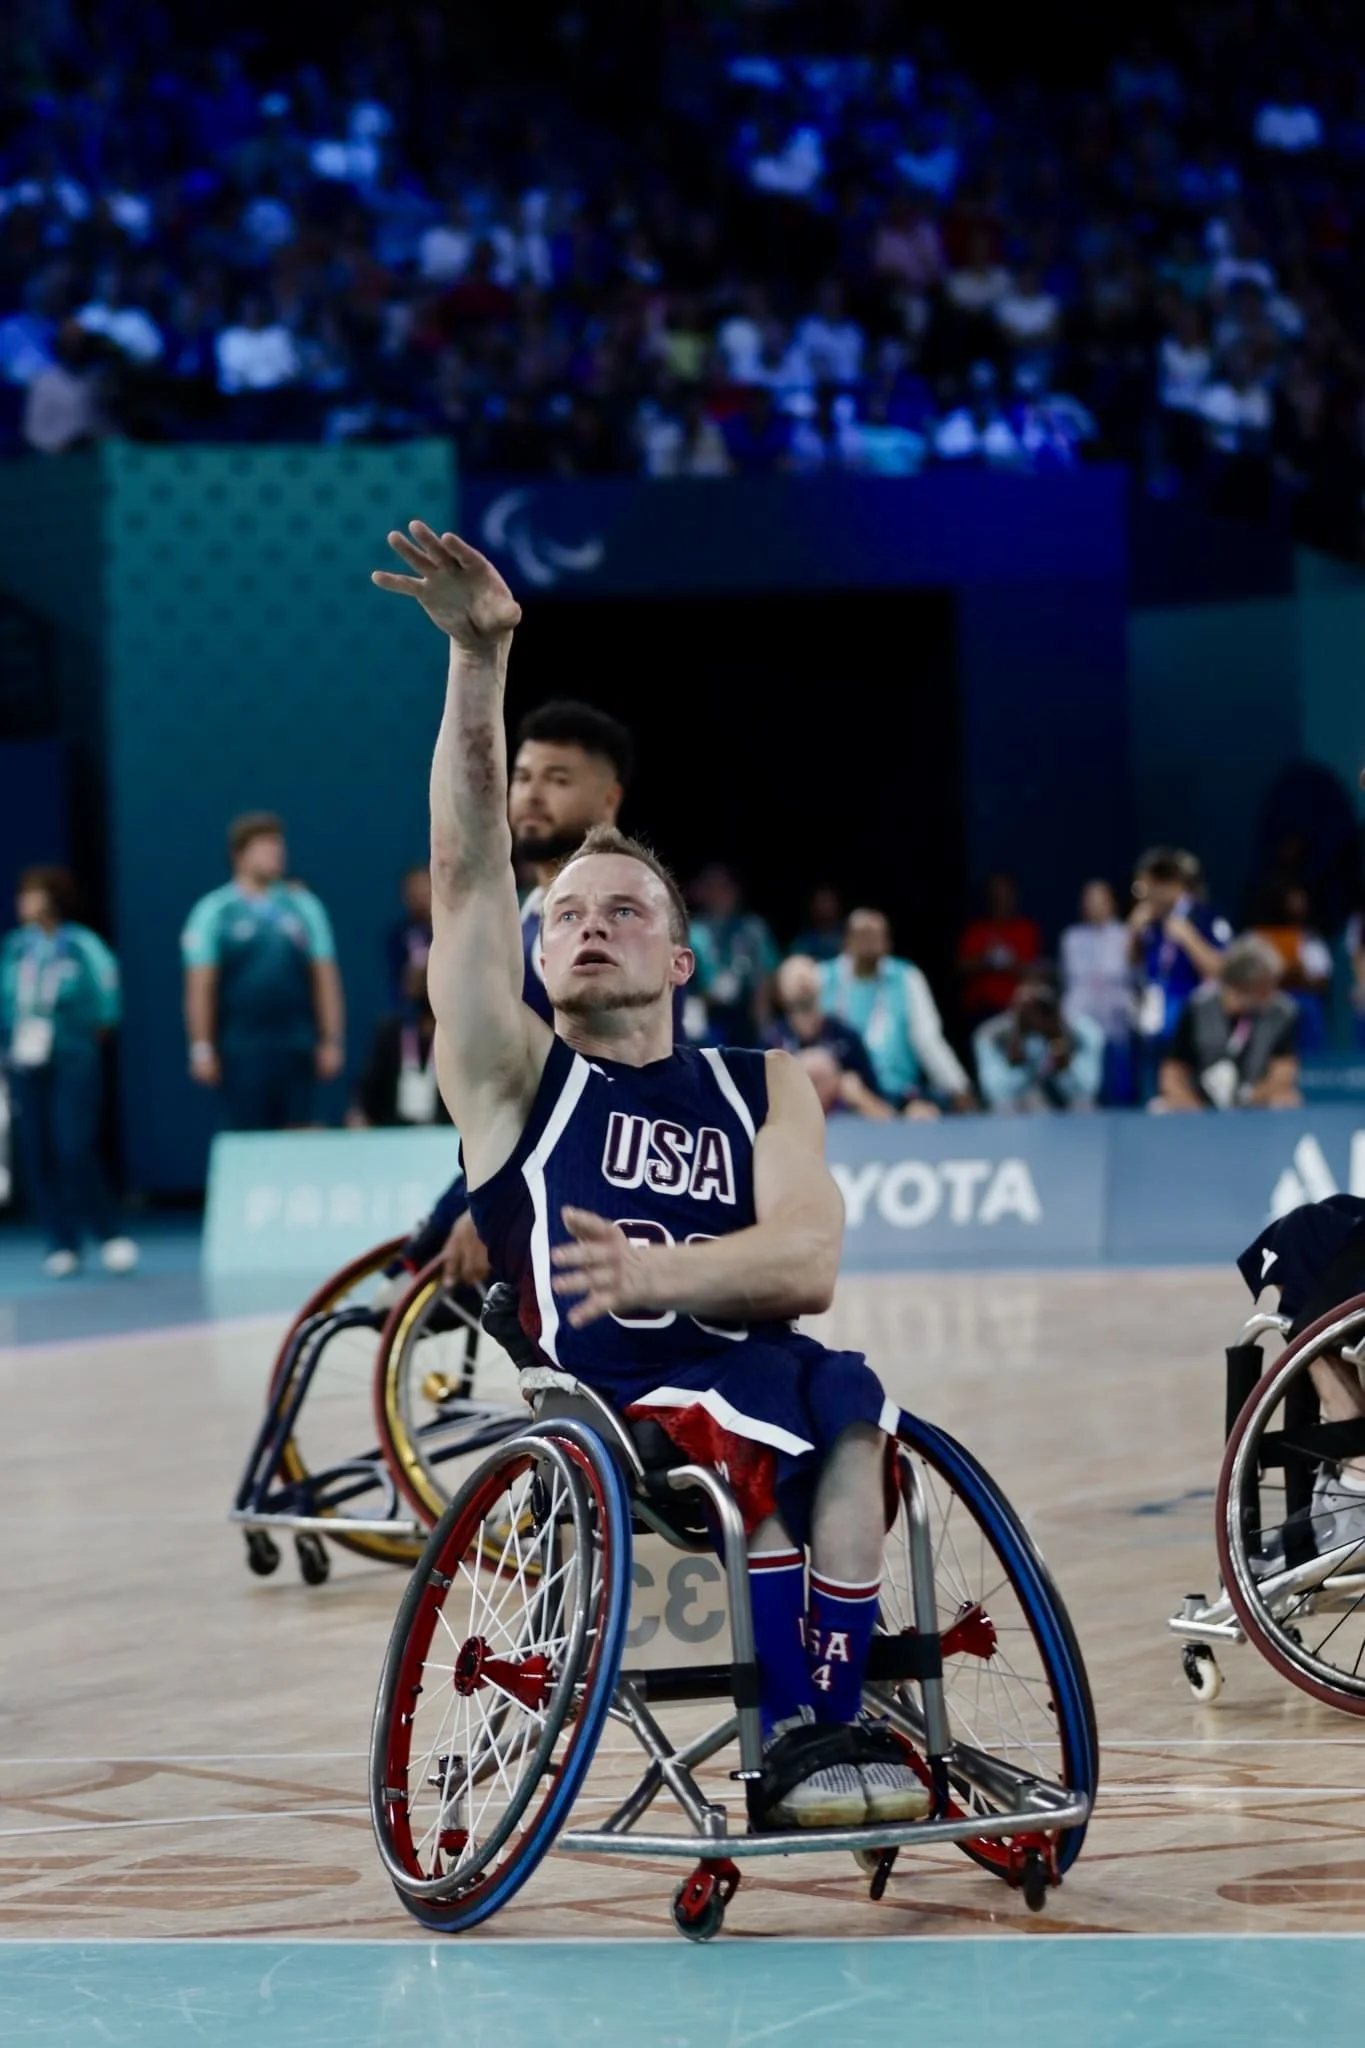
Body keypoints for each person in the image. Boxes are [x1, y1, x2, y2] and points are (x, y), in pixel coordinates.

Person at [371, 518, 929, 1833]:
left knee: (851, 1422)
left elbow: (808, 1261)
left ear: (680, 959)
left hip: (754, 1362)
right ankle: (799, 1731)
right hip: (613, 1394)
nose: (587, 927)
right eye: (565, 915)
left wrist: (663, 1268)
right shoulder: (516, 1078)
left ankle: (831, 1709)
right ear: (537, 953)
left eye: (622, 910)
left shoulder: (763, 1083)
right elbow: (466, 869)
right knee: (762, 1438)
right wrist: (477, 660)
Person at [399, 696, 642, 1292]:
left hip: (576, 1175)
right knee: (393, 1285)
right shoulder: (526, 914)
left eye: (557, 779)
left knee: (414, 1289)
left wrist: (498, 1204)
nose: (531, 794)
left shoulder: (620, 921)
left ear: (609, 800)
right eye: (524, 776)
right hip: (508, 1151)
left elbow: (611, 1089)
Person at [0, 866, 138, 1277]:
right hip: (25, 1061)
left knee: (73, 1146)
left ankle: (109, 1233)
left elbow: (107, 1003)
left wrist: (76, 1041)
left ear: (53, 898)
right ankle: (62, 1242)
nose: (23, 903)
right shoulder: (15, 947)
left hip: (73, 1059)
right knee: (37, 1151)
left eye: (32, 894)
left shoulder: (82, 944)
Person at [180, 813, 345, 1130]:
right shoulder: (214, 911)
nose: (276, 854)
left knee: (298, 1133)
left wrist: (332, 1039)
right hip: (241, 1048)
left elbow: (324, 978)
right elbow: (200, 986)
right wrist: (201, 1047)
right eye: (266, 847)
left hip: (297, 1044)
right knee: (247, 1136)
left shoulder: (304, 906)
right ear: (239, 855)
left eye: (278, 846)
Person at [821, 909, 974, 1113]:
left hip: (898, 1094)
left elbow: (928, 1040)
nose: (870, 942)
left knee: (924, 1114)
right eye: (863, 934)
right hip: (839, 1098)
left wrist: (958, 1088)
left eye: (876, 935)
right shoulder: (822, 977)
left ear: (888, 943)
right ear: (847, 941)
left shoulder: (907, 977)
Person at [1129, 847, 1232, 1101]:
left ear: (1167, 885)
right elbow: (1133, 962)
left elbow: (1221, 969)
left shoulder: (1205, 916)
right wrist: (1133, 932)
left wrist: (1188, 937)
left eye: (1145, 887)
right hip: (1154, 1015)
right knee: (1153, 1090)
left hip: (1193, 1018)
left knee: (1184, 1089)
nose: (1142, 895)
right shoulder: (1152, 921)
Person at [1155, 936, 1300, 1112]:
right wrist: (1189, 1103)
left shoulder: (1281, 1013)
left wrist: (1252, 1097)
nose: (1273, 992)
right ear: (1247, 984)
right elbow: (1173, 1070)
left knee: (1287, 1100)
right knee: (1161, 1106)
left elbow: (1284, 1072)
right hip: (1201, 1104)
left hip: (1255, 1101)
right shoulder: (1197, 1008)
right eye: (1267, 985)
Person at [769, 955, 892, 1120]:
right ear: (780, 992)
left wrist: (860, 1097)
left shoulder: (847, 1038)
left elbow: (886, 1114)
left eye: (808, 973)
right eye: (792, 977)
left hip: (847, 1129)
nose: (802, 980)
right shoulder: (770, 1044)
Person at [974, 967, 1105, 1113]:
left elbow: (1085, 1090)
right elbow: (997, 1093)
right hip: (1019, 1115)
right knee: (1005, 1107)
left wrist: (1058, 1038)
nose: (1035, 1011)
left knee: (1083, 1105)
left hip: (1067, 1114)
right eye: (1028, 1003)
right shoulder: (991, 1034)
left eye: (1042, 1003)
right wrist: (1018, 1035)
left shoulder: (1085, 1032)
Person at [348, 961, 450, 1129]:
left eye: (424, 981)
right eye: (416, 982)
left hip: (441, 1131)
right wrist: (359, 1114)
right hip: (393, 1131)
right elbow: (367, 1088)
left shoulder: (451, 1038)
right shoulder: (390, 1034)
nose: (422, 989)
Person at [688, 865, 780, 1049]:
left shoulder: (753, 929)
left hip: (746, 1017)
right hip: (706, 1019)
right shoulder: (692, 932)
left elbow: (766, 977)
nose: (719, 894)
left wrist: (765, 1026)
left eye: (725, 887)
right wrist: (709, 996)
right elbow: (684, 986)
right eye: (712, 888)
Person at [1060, 880, 1135, 1103]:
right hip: (1081, 1023)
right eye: (1090, 901)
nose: (1095, 906)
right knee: (1082, 1088)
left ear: (1112, 904)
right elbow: (1073, 978)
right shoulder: (1072, 937)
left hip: (1117, 1023)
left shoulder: (1126, 935)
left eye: (1100, 901)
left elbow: (1124, 974)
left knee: (1120, 1088)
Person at [955, 873, 1042, 1025]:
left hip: (1016, 1011)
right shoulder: (976, 930)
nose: (1000, 900)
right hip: (980, 1009)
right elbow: (960, 967)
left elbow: (1033, 972)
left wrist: (1009, 962)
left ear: (1014, 897)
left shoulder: (1027, 929)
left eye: (1005, 894)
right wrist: (986, 960)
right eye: (996, 894)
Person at [385, 864, 433, 1012]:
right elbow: (407, 988)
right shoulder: (399, 936)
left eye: (425, 894)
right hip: (417, 1013)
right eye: (415, 896)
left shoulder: (455, 933)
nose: (421, 902)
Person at [789, 885, 845, 963]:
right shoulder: (803, 942)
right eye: (822, 902)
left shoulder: (846, 935)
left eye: (829, 901)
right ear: (813, 906)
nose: (826, 907)